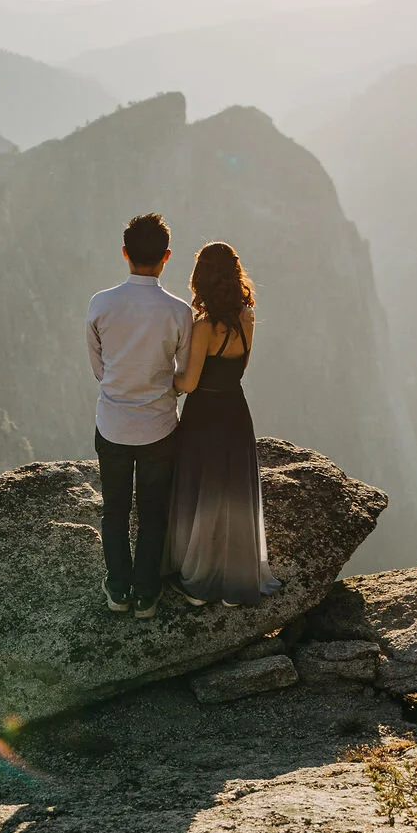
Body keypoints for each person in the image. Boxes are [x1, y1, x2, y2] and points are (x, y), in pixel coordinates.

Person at [86, 211, 193, 619]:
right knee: (152, 512)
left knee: (114, 510)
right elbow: (183, 374)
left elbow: (98, 367)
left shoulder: (100, 304)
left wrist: (120, 385)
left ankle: (117, 589)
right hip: (159, 427)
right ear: (167, 257)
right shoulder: (179, 312)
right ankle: (147, 593)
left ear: (124, 253)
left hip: (112, 423)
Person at [166, 241, 279, 607]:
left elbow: (190, 383)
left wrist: (165, 379)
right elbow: (240, 368)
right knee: (232, 491)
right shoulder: (247, 317)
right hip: (235, 410)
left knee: (203, 492)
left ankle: (200, 582)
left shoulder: (204, 326)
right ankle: (234, 582)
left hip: (204, 415)